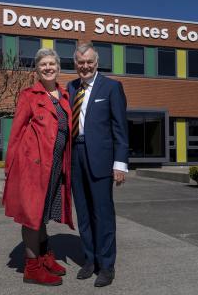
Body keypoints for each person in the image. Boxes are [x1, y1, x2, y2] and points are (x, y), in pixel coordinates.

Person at [3, 48, 74, 286]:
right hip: (32, 166)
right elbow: (16, 134)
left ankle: (44, 256)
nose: (47, 67)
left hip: (55, 166)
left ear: (58, 68)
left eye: (52, 63)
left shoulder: (64, 95)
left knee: (42, 214)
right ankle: (32, 267)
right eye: (43, 64)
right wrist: (10, 167)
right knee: (32, 216)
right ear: (37, 69)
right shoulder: (29, 95)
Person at [67, 43, 129, 287]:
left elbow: (120, 130)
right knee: (83, 213)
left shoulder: (112, 87)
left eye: (89, 62)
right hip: (75, 156)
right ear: (75, 64)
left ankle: (106, 265)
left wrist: (120, 164)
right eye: (81, 62)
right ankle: (89, 259)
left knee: (102, 214)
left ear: (96, 62)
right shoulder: (71, 87)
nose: (85, 66)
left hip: (101, 159)